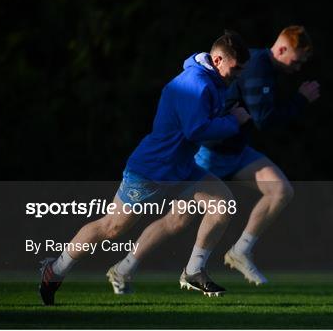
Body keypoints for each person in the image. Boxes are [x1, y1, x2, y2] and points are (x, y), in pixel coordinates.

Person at [39, 30, 251, 305]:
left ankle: (194, 270)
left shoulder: (212, 79)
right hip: (152, 170)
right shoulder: (196, 82)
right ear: (218, 59)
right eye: (235, 70)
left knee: (222, 204)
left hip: (182, 167)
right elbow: (195, 129)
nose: (236, 76)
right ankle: (55, 270)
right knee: (112, 228)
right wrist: (233, 122)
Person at [109, 25, 320, 291]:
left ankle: (239, 251)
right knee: (177, 220)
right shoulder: (256, 67)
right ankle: (125, 267)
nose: (298, 67)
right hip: (210, 153)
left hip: (236, 151)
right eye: (297, 60)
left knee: (280, 189)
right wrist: (300, 100)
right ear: (281, 49)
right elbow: (263, 119)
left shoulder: (262, 67)